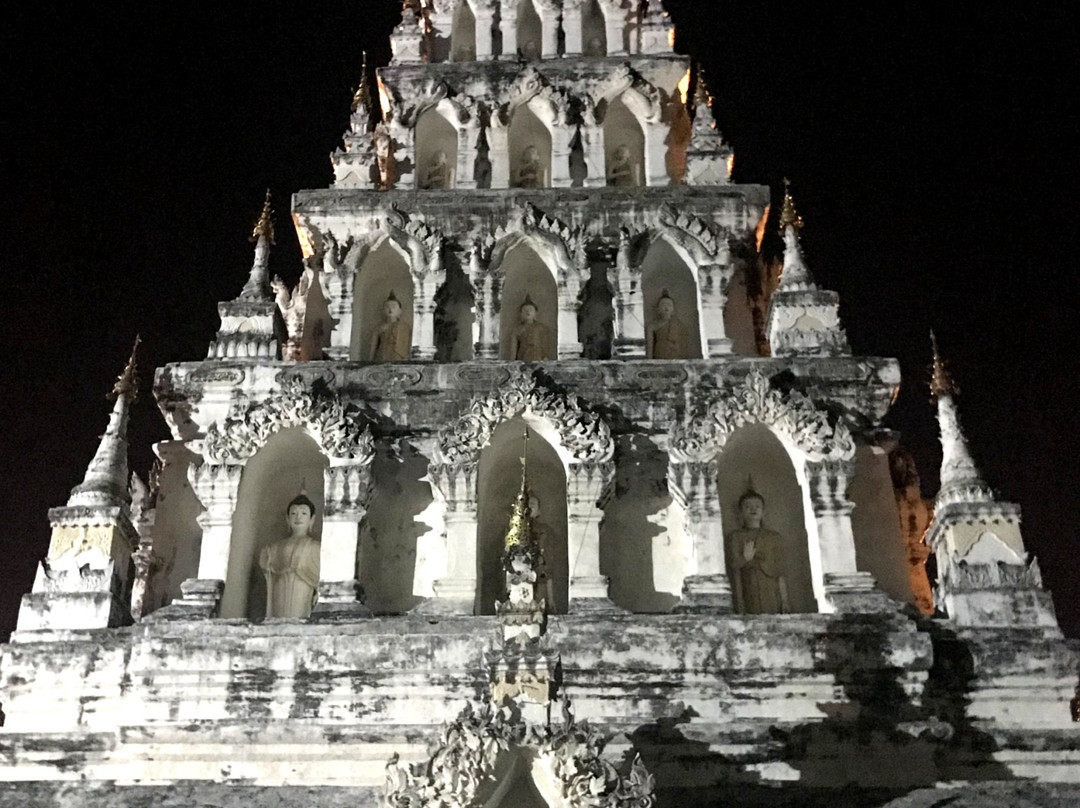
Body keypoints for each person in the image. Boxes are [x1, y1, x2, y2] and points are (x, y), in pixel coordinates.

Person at [726, 489, 789, 614]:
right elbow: (733, 565)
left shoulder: (773, 537)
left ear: (763, 511)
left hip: (770, 588)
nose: (753, 509)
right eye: (748, 507)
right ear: (741, 512)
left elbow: (779, 571)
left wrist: (784, 600)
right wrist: (745, 558)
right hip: (749, 585)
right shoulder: (736, 537)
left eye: (757, 506)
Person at [259, 493, 321, 618]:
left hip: (302, 596)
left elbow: (319, 580)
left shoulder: (315, 547)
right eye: (293, 513)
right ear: (287, 519)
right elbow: (266, 567)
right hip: (279, 596)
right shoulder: (274, 548)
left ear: (312, 519)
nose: (298, 517)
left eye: (304, 513)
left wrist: (319, 592)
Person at [646, 290, 690, 359]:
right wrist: (649, 360)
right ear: (658, 309)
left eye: (669, 305)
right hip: (660, 356)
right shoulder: (652, 326)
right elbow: (649, 347)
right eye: (663, 305)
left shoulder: (679, 325)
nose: (666, 307)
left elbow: (684, 344)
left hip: (676, 356)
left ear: (673, 310)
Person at [507, 296, 553, 360]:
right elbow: (513, 350)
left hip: (538, 357)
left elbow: (545, 345)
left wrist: (545, 358)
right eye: (525, 310)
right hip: (523, 357)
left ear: (535, 313)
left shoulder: (542, 328)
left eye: (531, 310)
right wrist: (513, 361)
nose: (528, 312)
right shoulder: (517, 329)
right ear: (521, 313)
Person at [369, 291, 411, 361]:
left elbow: (406, 347)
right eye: (387, 307)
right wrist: (370, 361)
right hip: (382, 356)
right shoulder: (379, 328)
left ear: (400, 311)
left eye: (393, 307)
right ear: (383, 310)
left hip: (397, 358)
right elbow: (373, 347)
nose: (390, 309)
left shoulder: (404, 327)